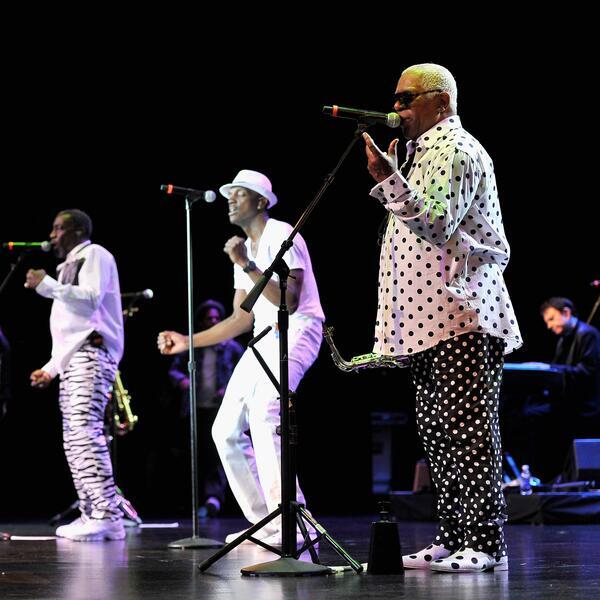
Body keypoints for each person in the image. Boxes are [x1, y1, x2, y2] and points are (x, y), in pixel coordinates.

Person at [362, 63, 522, 572]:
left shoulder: (456, 150)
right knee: (438, 434)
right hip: (427, 321)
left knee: (468, 432)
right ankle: (454, 537)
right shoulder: (423, 154)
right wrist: (396, 178)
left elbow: (435, 222)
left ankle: (486, 544)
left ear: (441, 102)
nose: (396, 109)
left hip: (461, 314)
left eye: (406, 99)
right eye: (395, 99)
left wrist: (389, 181)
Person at [158, 169, 325, 545]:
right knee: (224, 430)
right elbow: (240, 319)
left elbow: (289, 301)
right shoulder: (245, 249)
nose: (231, 199)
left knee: (265, 412)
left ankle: (295, 523)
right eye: (229, 194)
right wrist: (186, 342)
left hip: (299, 329)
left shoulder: (281, 233)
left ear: (261, 201)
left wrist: (246, 264)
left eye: (240, 193)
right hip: (264, 336)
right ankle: (266, 522)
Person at [25, 209, 125, 541]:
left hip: (93, 354)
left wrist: (47, 285)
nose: (52, 235)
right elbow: (71, 329)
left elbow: (91, 301)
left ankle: (108, 515)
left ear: (78, 230)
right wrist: (51, 368)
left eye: (58, 228)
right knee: (74, 439)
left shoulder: (95, 254)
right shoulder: (67, 265)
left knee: (84, 430)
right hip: (75, 358)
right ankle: (91, 512)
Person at [167, 299, 243, 517]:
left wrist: (227, 389)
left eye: (216, 318)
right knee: (192, 453)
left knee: (215, 454)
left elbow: (242, 374)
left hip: (218, 408)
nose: (213, 322)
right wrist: (182, 381)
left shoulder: (231, 348)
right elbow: (174, 370)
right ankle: (191, 500)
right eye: (209, 318)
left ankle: (213, 499)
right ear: (201, 322)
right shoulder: (195, 347)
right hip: (194, 408)